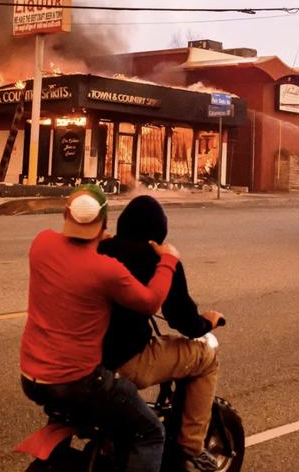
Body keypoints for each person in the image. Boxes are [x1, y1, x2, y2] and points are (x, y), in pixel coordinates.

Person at [19, 184, 181, 472]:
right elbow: (151, 302)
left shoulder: (41, 243)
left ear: (66, 215)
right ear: (104, 223)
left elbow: (68, 249)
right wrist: (168, 260)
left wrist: (93, 238)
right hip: (78, 383)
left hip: (32, 379)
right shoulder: (105, 270)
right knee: (150, 432)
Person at [98, 195, 224, 472]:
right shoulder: (160, 259)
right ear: (160, 233)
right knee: (207, 358)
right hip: (128, 359)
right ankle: (192, 447)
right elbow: (184, 321)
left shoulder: (101, 248)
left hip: (90, 358)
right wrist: (208, 323)